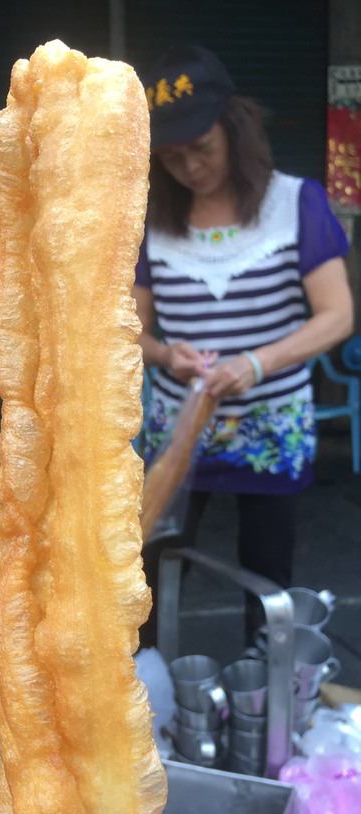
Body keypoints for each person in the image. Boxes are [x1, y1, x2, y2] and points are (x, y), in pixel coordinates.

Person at [134, 45, 354, 646]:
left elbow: (337, 316)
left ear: (235, 125)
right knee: (151, 562)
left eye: (201, 147)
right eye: (171, 157)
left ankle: (267, 687)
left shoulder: (296, 203)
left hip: (269, 423)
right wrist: (164, 355)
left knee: (265, 568)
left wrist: (257, 364)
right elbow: (128, 328)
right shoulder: (149, 218)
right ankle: (141, 689)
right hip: (179, 427)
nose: (190, 168)